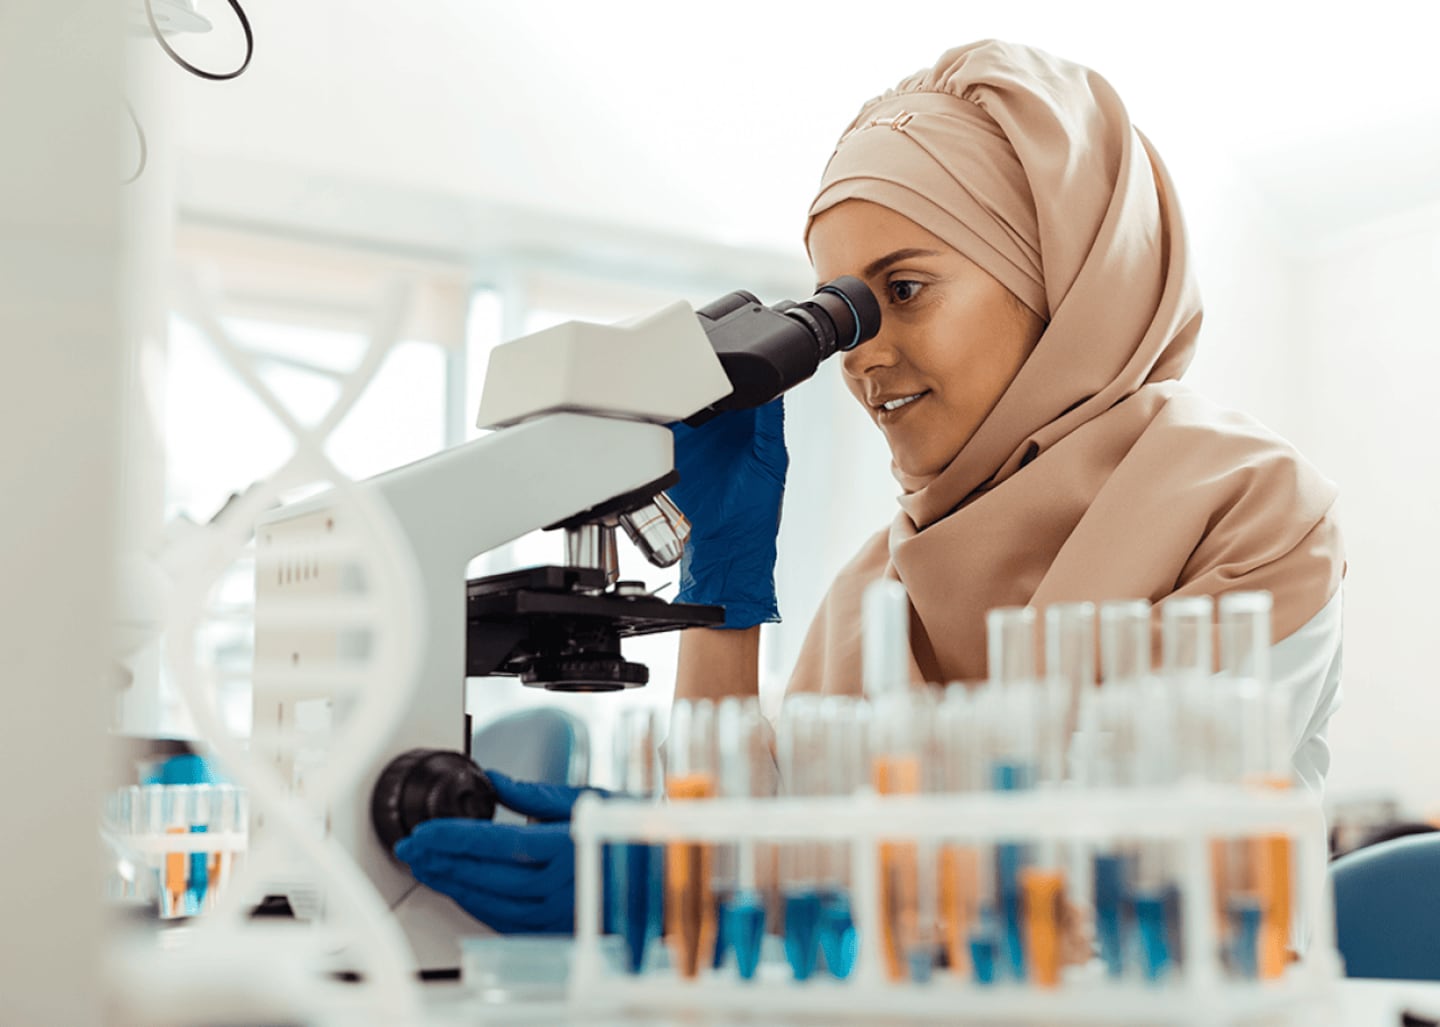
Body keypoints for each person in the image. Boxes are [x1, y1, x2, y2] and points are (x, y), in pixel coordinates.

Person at [398, 39, 1344, 935]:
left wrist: (712, 870)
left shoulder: (1244, 507)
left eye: (905, 289)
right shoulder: (875, 590)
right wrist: (724, 592)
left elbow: (1123, 875)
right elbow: (738, 839)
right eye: (840, 311)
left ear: (1058, 283)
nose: (860, 354)